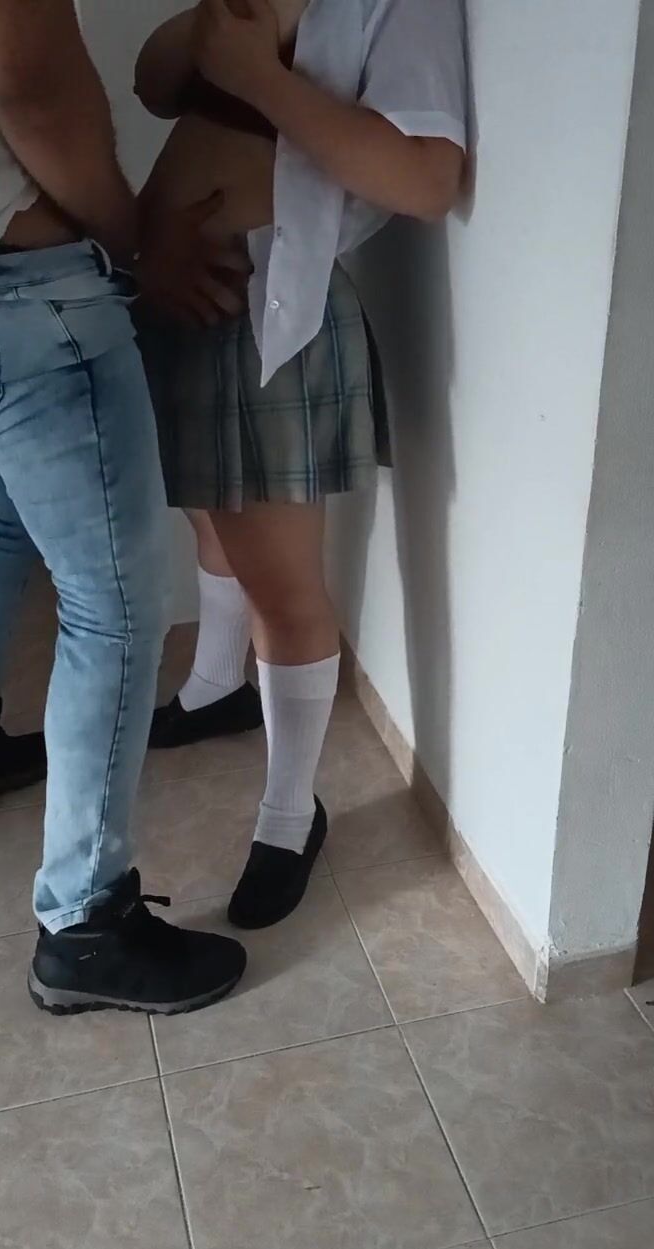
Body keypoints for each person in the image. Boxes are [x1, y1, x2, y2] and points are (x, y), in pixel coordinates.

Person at [0, 0, 248, 1014]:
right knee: (113, 608)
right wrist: (135, 241)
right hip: (17, 291)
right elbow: (29, 81)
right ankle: (84, 923)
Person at [135, 0, 467, 930]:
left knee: (282, 588)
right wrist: (218, 35)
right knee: (214, 521)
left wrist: (254, 73)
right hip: (179, 295)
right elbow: (154, 83)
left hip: (264, 309)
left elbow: (427, 179)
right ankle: (215, 686)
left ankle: (290, 817)